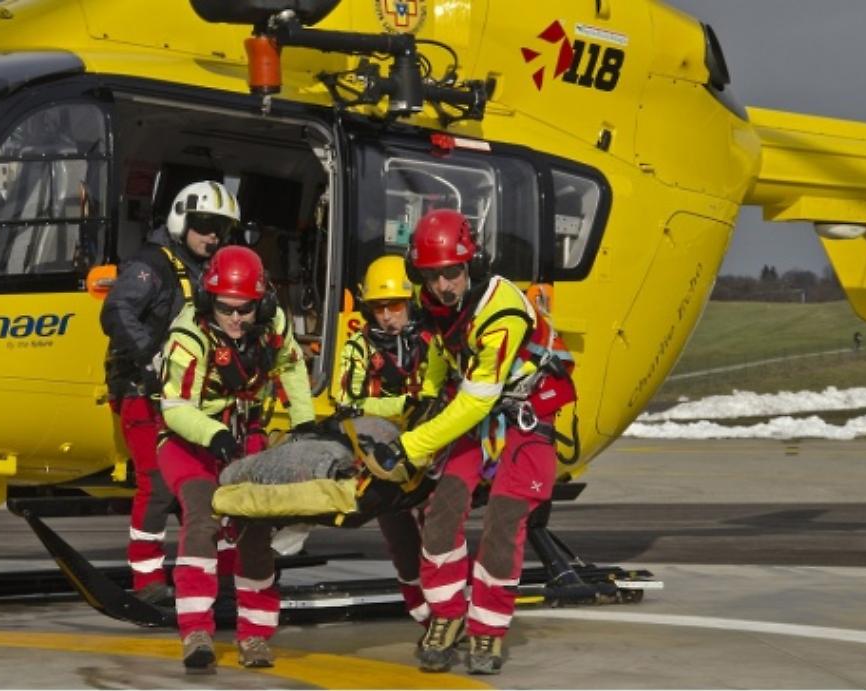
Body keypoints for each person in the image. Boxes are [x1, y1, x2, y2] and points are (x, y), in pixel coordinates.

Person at [362, 208, 575, 675]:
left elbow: (479, 400)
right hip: (475, 417)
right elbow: (442, 348)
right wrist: (430, 396)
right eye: (432, 275)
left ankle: (487, 629)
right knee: (440, 515)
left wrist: (413, 444)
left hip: (524, 418)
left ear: (471, 264)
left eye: (452, 273)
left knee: (504, 522)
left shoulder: (501, 311)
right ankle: (447, 616)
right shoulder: (436, 301)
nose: (442, 286)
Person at [156, 245, 315, 674]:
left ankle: (256, 635)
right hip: (189, 440)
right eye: (226, 309)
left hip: (247, 437)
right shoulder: (188, 337)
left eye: (244, 309)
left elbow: (292, 367)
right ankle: (195, 631)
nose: (236, 319)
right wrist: (216, 435)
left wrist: (304, 425)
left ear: (259, 303)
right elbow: (174, 408)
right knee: (203, 517)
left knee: (254, 530)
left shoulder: (272, 324)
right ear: (210, 300)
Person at [100, 180, 239, 603]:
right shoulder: (152, 265)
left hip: (195, 399)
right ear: (183, 220)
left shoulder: (210, 272)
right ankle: (147, 580)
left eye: (222, 228)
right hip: (145, 392)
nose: (213, 235)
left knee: (212, 484)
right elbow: (116, 309)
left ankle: (224, 572)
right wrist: (152, 356)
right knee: (158, 483)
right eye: (204, 224)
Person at [335, 254, 432, 625]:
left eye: (395, 305)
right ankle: (419, 607)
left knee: (439, 525)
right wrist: (402, 402)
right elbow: (348, 402)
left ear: (412, 302)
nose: (388, 315)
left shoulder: (431, 340)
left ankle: (449, 602)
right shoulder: (357, 347)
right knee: (398, 531)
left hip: (427, 446)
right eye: (379, 307)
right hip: (382, 453)